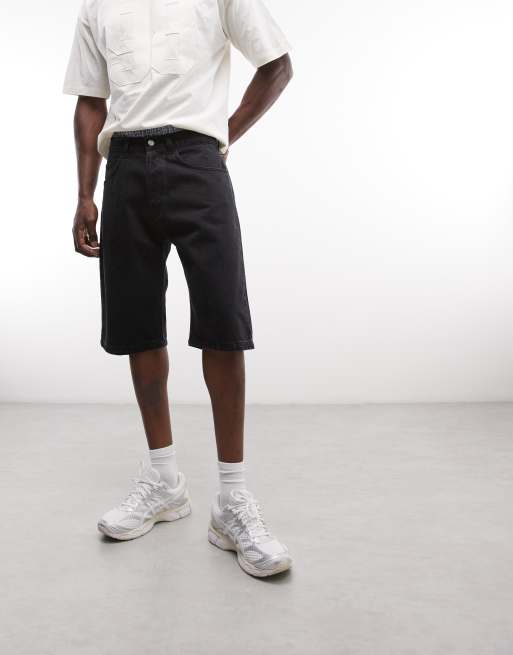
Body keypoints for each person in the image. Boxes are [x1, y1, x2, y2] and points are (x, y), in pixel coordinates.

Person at [63, 0, 293, 578]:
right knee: (138, 325)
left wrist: (222, 136)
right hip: (124, 171)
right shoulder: (97, 6)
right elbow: (90, 101)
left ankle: (232, 500)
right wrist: (86, 194)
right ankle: (164, 481)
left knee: (223, 322)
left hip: (197, 162)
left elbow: (277, 65)